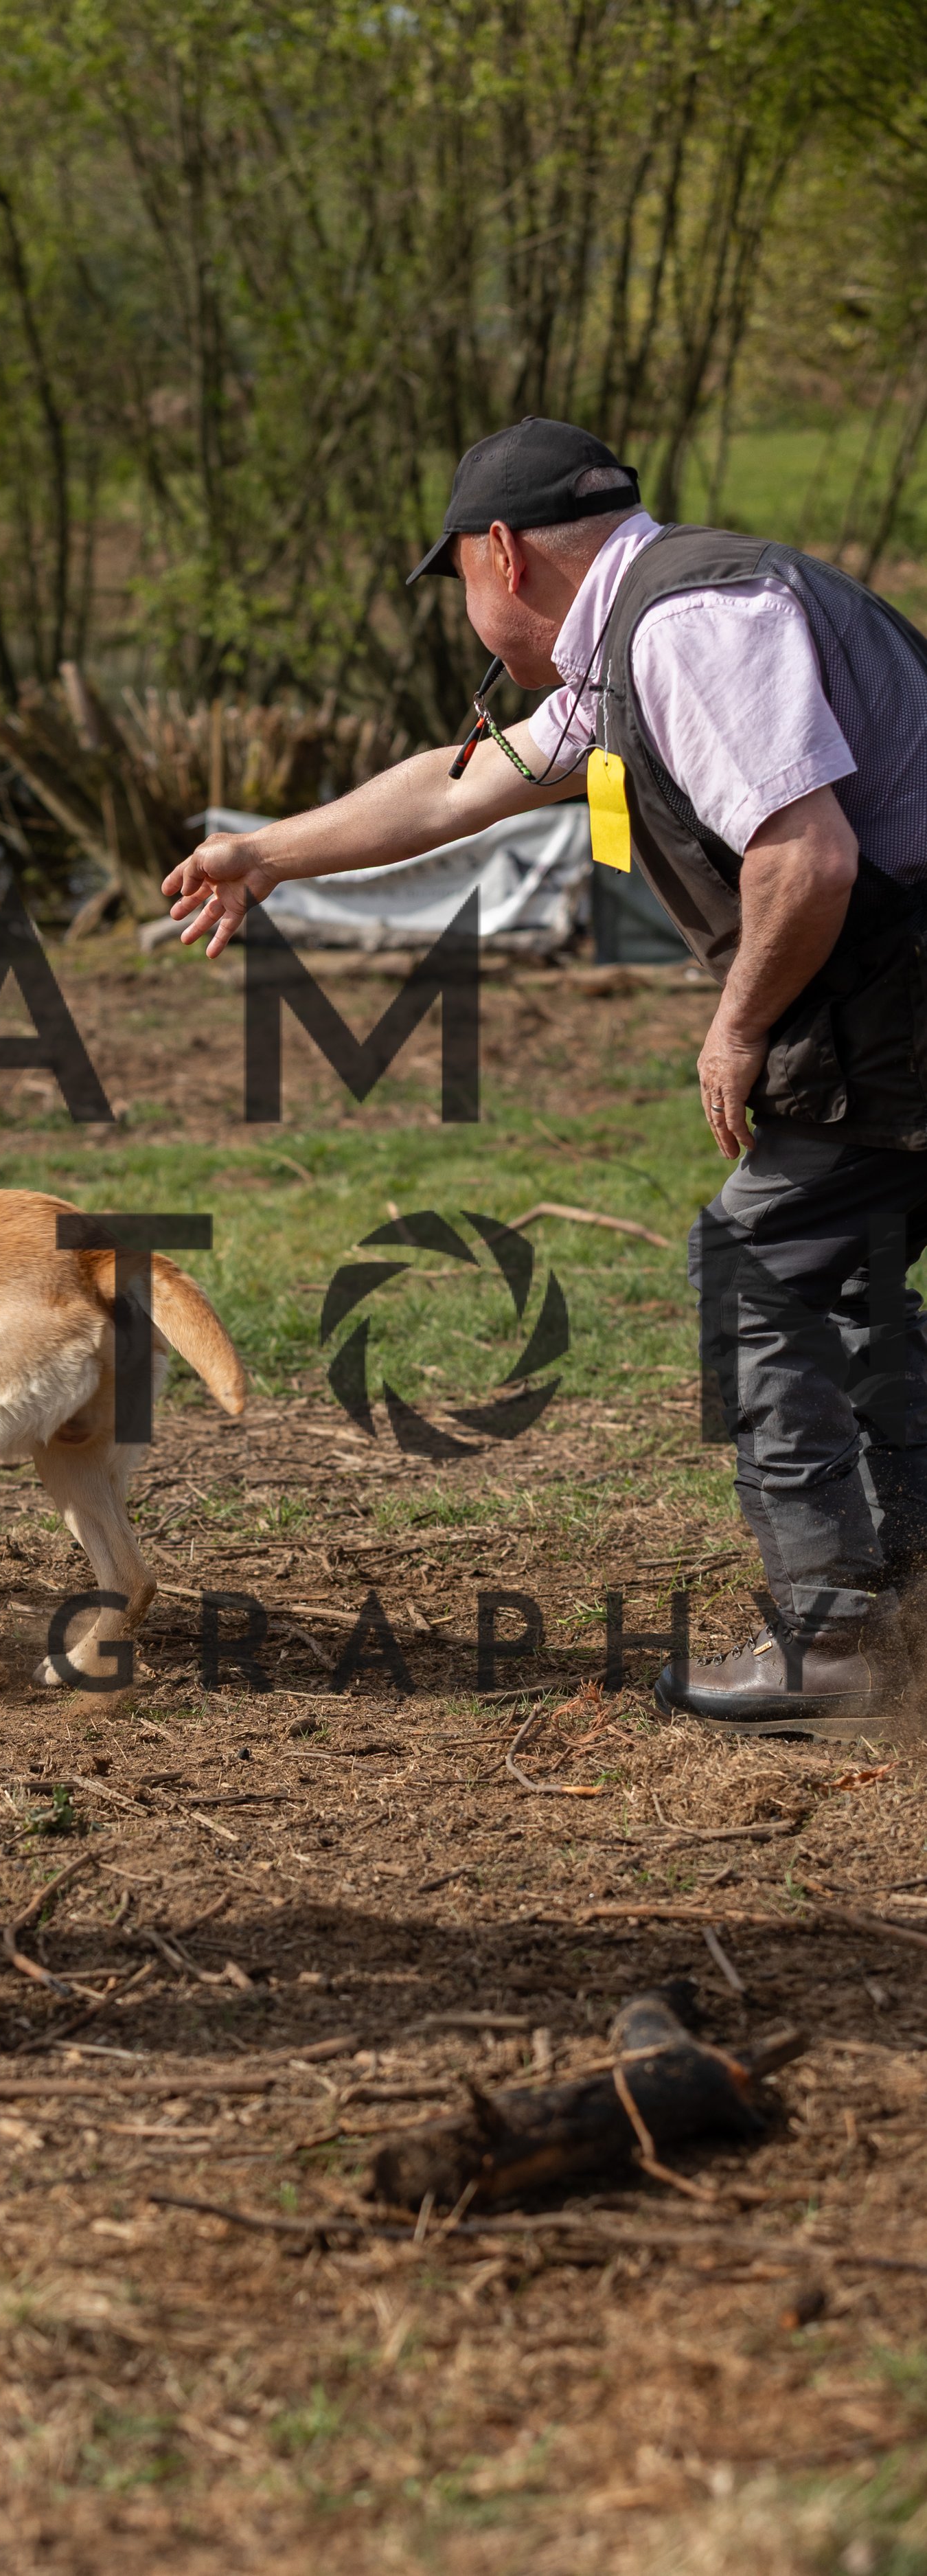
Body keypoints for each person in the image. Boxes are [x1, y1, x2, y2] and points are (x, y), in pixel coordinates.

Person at [165, 414, 927, 1741]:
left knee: (765, 1267)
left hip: (895, 982)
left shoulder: (692, 628)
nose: (467, 611)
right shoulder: (637, 643)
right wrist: (268, 853)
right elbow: (457, 789)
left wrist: (737, 1026)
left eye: (456, 577)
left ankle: (842, 1634)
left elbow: (806, 859)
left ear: (502, 554)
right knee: (841, 1267)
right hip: (893, 984)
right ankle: (905, 1597)